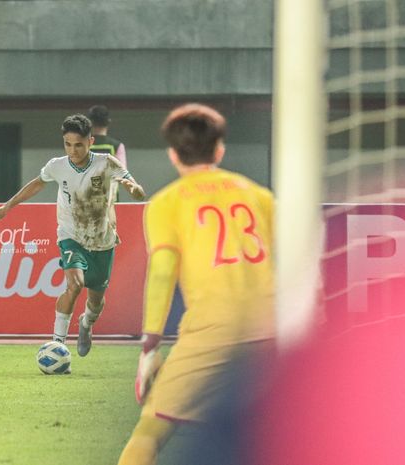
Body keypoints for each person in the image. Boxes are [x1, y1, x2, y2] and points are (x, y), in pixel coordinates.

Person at [117, 104, 275, 465]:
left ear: (172, 154)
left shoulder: (166, 203)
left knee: (150, 432)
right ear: (219, 150)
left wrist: (150, 345)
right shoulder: (259, 196)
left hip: (211, 332)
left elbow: (162, 270)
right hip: (272, 328)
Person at [0, 114, 145, 361]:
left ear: (90, 141)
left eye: (79, 145)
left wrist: (134, 190)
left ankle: (86, 323)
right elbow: (36, 184)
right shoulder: (57, 165)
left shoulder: (107, 163)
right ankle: (57, 345)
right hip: (70, 235)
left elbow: (136, 190)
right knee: (74, 285)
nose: (73, 150)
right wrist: (7, 207)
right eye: (68, 144)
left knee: (96, 302)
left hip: (102, 240)